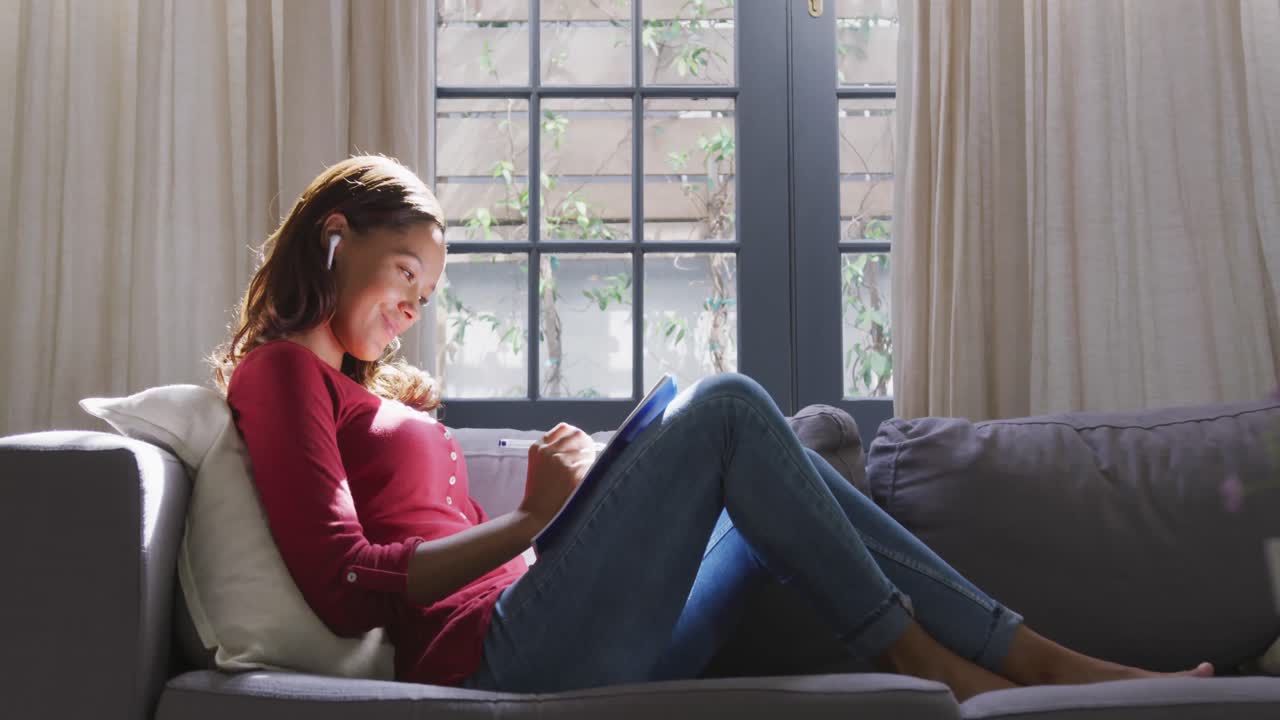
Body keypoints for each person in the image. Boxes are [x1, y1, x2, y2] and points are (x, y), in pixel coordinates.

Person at [210, 155, 1214, 701]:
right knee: (726, 405)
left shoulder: (370, 393)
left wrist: (574, 513)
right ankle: (960, 658)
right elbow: (342, 583)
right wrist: (528, 523)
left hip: (550, 622)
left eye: (427, 294)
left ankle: (1016, 651)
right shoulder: (281, 373)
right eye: (404, 275)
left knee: (768, 460)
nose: (413, 308)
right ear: (334, 238)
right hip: (496, 659)